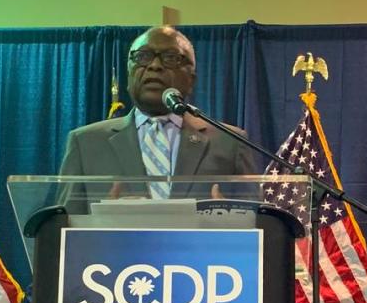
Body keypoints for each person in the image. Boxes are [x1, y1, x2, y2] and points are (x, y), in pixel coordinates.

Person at [59, 26, 255, 202]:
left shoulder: (230, 142)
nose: (154, 66)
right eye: (142, 56)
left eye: (171, 58)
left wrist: (230, 221)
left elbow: (257, 223)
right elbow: (61, 228)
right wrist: (100, 223)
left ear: (191, 80)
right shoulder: (85, 142)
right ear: (129, 74)